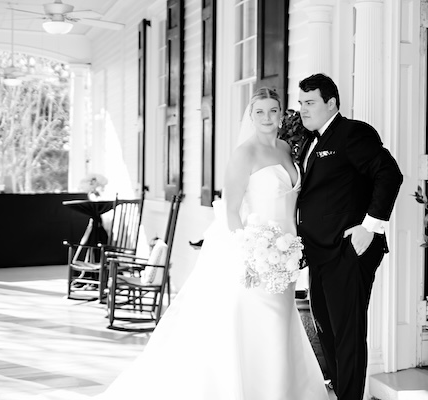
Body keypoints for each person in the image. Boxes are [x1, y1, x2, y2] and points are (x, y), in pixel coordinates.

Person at [96, 87, 329, 400]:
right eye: (259, 111)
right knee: (260, 323)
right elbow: (232, 211)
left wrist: (287, 250)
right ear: (251, 115)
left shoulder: (287, 149)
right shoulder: (244, 154)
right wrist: (250, 256)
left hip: (284, 256)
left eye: (273, 110)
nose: (267, 117)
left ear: (281, 113)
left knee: (281, 325)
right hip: (255, 255)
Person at [297, 73, 403, 400]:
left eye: (310, 102)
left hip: (348, 251)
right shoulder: (310, 141)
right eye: (300, 102)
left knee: (348, 337)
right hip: (318, 254)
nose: (303, 109)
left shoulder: (352, 133)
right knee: (327, 332)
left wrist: (369, 227)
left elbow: (389, 173)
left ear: (331, 103)